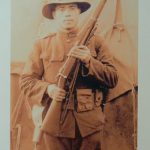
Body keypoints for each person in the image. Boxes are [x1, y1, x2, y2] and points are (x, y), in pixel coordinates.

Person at [20, 0, 118, 149]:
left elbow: (112, 78)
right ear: (54, 14)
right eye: (61, 9)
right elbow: (26, 80)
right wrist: (49, 89)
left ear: (79, 11)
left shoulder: (97, 42)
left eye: (72, 8)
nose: (67, 13)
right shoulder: (42, 44)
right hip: (55, 123)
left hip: (89, 125)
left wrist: (89, 61)